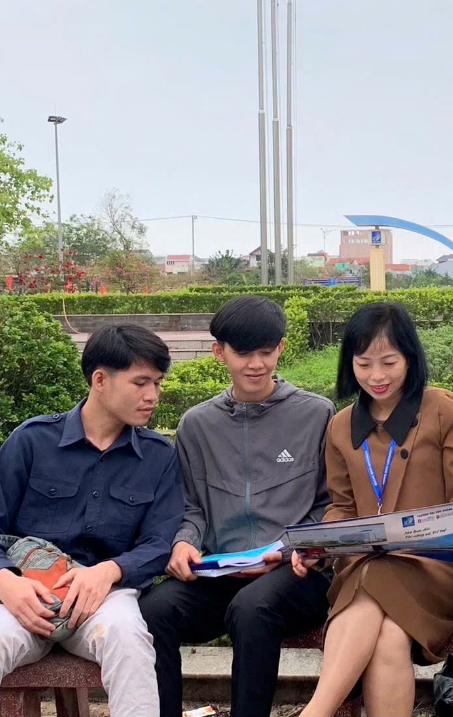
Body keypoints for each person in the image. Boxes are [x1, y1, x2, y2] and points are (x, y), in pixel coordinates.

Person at [0, 324, 183, 716]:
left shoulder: (158, 456)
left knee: (130, 639)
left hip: (104, 599)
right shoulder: (32, 440)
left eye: (157, 383)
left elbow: (159, 543)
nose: (152, 395)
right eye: (140, 383)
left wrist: (109, 572)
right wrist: (5, 581)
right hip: (22, 595)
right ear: (100, 380)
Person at [293, 301, 453, 717]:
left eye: (389, 362)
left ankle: (315, 712)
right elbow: (341, 507)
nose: (377, 376)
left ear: (410, 358)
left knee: (377, 579)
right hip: (364, 566)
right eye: (364, 363)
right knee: (388, 635)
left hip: (433, 567)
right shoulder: (341, 425)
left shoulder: (441, 409)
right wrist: (320, 548)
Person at [140, 296, 336, 717]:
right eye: (244, 353)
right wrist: (183, 543)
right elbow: (191, 506)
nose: (256, 364)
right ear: (219, 352)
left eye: (266, 352)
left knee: (252, 608)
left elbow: (330, 504)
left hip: (297, 572)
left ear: (281, 348)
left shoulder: (316, 414)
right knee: (154, 610)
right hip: (221, 572)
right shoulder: (197, 424)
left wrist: (285, 548)